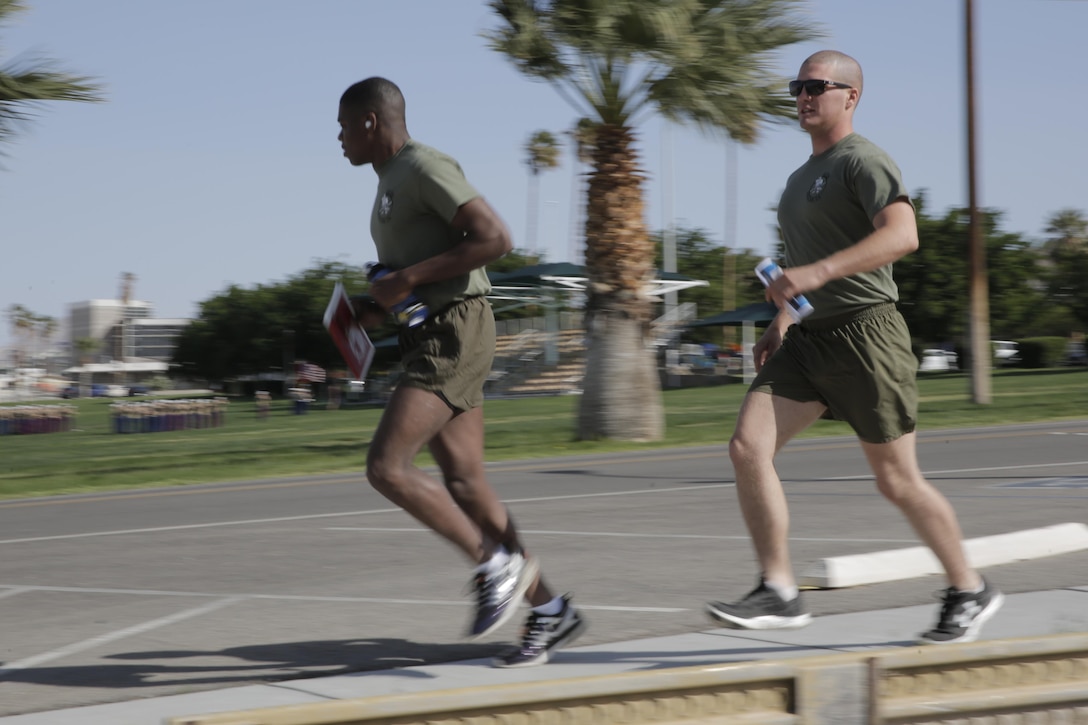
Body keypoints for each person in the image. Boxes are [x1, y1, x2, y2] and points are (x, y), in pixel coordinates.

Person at [706, 51, 1003, 645]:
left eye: (818, 86)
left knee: (896, 481)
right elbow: (795, 270)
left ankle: (969, 587)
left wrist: (815, 274)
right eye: (798, 87)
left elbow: (903, 234)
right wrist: (782, 321)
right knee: (747, 447)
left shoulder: (862, 159)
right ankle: (781, 591)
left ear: (851, 96)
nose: (804, 96)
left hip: (868, 335)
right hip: (809, 341)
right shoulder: (796, 181)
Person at [336, 77, 585, 667]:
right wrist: (374, 305)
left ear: (371, 121)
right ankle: (551, 612)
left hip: (455, 331)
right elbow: (415, 271)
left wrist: (410, 280)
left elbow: (494, 238)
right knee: (467, 483)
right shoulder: (388, 186)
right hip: (428, 330)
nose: (338, 137)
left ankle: (492, 564)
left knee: (386, 466)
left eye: (343, 124)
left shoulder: (423, 165)